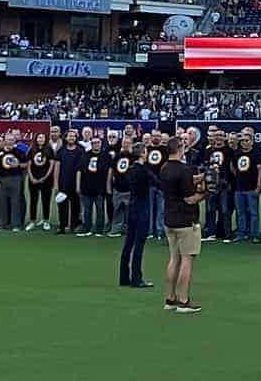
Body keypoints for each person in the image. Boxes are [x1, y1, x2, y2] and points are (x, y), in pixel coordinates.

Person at [158, 138, 206, 313]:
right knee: (187, 259)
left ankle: (170, 299)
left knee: (174, 259)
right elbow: (189, 198)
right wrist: (206, 193)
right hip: (185, 220)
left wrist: (198, 178)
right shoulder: (184, 170)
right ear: (180, 149)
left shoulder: (164, 168)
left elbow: (180, 183)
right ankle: (183, 301)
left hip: (169, 219)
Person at [119, 134, 157, 289]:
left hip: (133, 206)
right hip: (142, 208)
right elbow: (157, 183)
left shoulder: (131, 170)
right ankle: (136, 277)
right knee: (139, 243)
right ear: (142, 153)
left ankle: (123, 277)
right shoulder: (144, 170)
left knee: (129, 242)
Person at [229, 130, 261, 243]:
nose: (244, 143)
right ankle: (242, 233)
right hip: (239, 188)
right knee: (240, 212)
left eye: (246, 140)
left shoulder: (256, 154)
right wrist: (238, 176)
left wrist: (259, 185)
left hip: (252, 187)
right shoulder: (237, 153)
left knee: (253, 213)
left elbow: (260, 170)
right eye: (242, 141)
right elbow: (232, 167)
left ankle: (254, 234)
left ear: (252, 142)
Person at [78, 133, 110, 238]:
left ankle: (99, 230)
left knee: (100, 209)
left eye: (97, 143)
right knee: (87, 210)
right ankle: (87, 228)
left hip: (100, 188)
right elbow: (79, 171)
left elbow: (109, 172)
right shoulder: (85, 155)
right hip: (86, 187)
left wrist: (108, 187)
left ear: (101, 144)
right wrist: (78, 186)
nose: (95, 145)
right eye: (93, 143)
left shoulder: (106, 156)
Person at [0, 138, 27, 231]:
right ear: (5, 141)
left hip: (15, 179)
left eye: (12, 140)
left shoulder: (19, 152)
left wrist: (18, 165)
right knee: (2, 202)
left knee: (16, 202)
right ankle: (1, 224)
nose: (10, 142)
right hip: (2, 179)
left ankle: (16, 225)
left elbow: (26, 164)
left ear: (14, 142)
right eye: (8, 140)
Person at [55, 128, 82, 234]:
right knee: (62, 205)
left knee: (76, 205)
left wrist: (80, 185)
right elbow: (57, 167)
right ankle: (62, 226)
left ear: (76, 138)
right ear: (66, 138)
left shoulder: (80, 150)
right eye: (69, 136)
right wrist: (56, 184)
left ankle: (74, 225)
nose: (71, 138)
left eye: (73, 136)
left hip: (76, 183)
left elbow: (81, 168)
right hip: (63, 183)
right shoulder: (61, 151)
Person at [28, 135, 57, 231]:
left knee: (46, 200)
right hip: (33, 179)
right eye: (39, 138)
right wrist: (31, 177)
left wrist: (45, 177)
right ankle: (32, 221)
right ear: (36, 139)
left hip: (46, 180)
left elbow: (51, 165)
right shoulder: (32, 150)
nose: (41, 139)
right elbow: (29, 165)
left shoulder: (49, 150)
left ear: (45, 139)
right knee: (33, 200)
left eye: (42, 138)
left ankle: (46, 221)